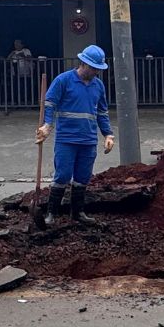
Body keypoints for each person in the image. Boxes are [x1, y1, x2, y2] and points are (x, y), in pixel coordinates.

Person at [35, 45, 115, 225]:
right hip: (67, 139)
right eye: (93, 68)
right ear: (83, 63)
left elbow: (102, 112)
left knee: (83, 177)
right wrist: (47, 125)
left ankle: (77, 213)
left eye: (98, 69)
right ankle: (51, 213)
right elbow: (49, 103)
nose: (95, 72)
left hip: (88, 139)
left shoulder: (98, 85)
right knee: (62, 175)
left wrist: (108, 134)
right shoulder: (63, 80)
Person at [8, 39, 33, 105]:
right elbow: (7, 60)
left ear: (22, 45)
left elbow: (30, 58)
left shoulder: (26, 50)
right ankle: (17, 102)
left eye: (18, 44)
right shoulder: (13, 52)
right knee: (16, 88)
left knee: (25, 88)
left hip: (25, 73)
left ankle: (26, 102)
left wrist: (22, 55)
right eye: (15, 44)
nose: (16, 46)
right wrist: (11, 54)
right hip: (16, 73)